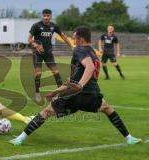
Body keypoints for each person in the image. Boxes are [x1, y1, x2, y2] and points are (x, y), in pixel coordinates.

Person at [9, 26, 141, 146]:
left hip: (75, 95)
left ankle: (19, 139)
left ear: (80, 39)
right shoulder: (93, 52)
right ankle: (129, 138)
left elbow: (88, 67)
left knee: (46, 112)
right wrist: (55, 92)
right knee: (108, 109)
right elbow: (73, 81)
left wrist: (80, 85)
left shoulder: (79, 50)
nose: (73, 40)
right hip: (91, 95)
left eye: (74, 37)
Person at [28, 9, 73, 102]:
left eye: (48, 16)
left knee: (56, 72)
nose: (46, 18)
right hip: (38, 53)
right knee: (38, 73)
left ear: (51, 16)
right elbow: (29, 39)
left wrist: (71, 46)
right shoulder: (36, 26)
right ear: (42, 16)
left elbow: (63, 36)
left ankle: (60, 94)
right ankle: (37, 92)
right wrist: (36, 45)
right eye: (44, 16)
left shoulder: (54, 26)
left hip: (48, 53)